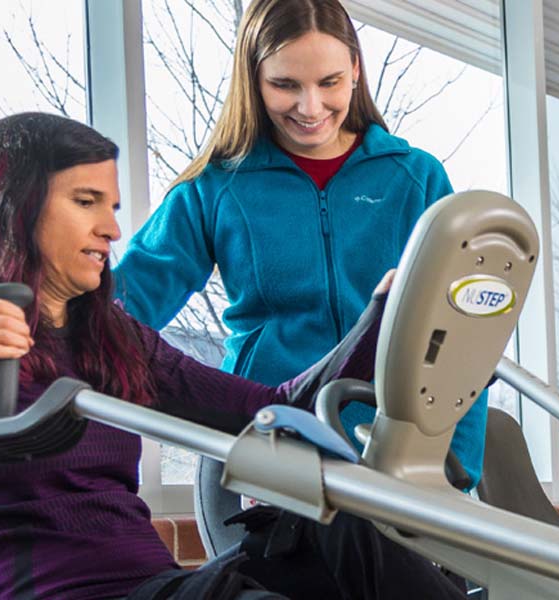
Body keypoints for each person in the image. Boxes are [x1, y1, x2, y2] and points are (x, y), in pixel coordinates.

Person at [0, 112, 464, 600]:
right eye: (85, 203)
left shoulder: (111, 335)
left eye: (112, 207)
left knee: (343, 524)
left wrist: (384, 322)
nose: (110, 228)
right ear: (11, 205)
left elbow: (274, 411)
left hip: (157, 585)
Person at [115, 0, 487, 483]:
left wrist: (458, 469)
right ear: (254, 80)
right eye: (285, 84)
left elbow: (462, 334)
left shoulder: (414, 178)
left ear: (355, 69)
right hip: (266, 447)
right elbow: (120, 307)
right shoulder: (214, 189)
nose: (310, 107)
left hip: (388, 453)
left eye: (329, 82)